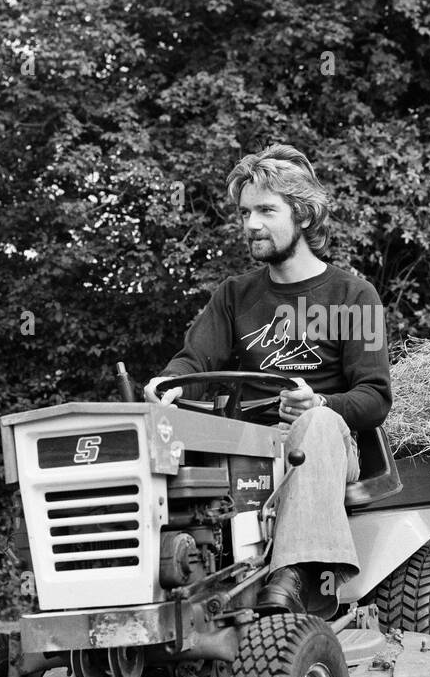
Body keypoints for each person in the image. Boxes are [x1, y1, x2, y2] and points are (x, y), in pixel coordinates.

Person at [144, 145, 391, 617]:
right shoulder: (234, 295)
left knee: (314, 424)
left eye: (265, 211)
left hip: (328, 442)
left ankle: (293, 577)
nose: (251, 224)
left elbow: (375, 398)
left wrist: (320, 402)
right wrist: (170, 384)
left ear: (302, 215)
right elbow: (193, 362)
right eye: (244, 213)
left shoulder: (354, 295)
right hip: (245, 443)